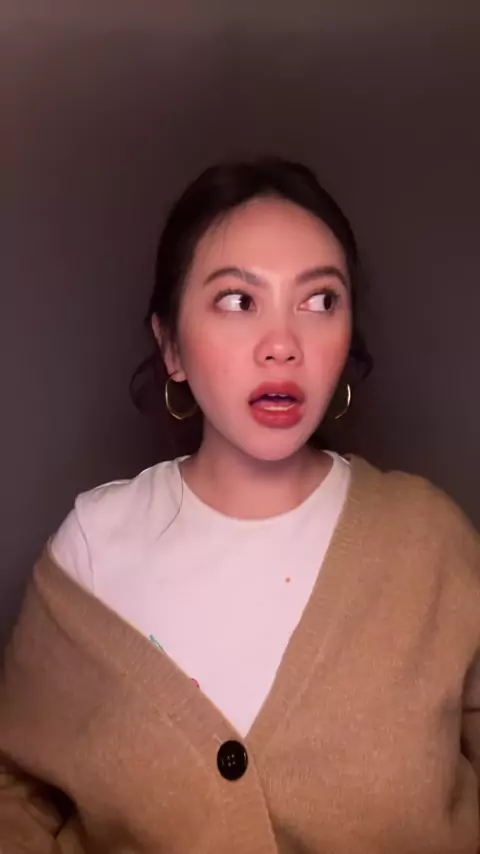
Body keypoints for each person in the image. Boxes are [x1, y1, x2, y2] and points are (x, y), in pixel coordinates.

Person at [0, 157, 479, 854]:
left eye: (320, 301)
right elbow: (15, 793)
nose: (283, 345)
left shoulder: (429, 541)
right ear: (171, 346)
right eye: (237, 300)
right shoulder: (93, 550)